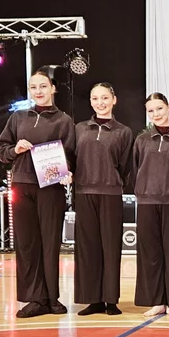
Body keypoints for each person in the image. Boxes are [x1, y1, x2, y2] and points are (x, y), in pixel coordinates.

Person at [0, 68, 75, 318]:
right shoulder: (18, 118)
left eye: (43, 86)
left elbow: (71, 155)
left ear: (53, 89)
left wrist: (68, 171)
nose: (38, 91)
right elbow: (1, 149)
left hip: (51, 188)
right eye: (33, 87)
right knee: (27, 244)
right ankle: (34, 299)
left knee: (50, 243)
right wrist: (15, 149)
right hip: (22, 185)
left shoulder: (64, 121)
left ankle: (52, 298)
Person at [73, 83, 134, 316]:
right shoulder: (79, 129)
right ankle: (93, 300)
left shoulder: (124, 132)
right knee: (88, 248)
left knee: (110, 247)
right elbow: (71, 158)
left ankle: (110, 300)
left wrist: (112, 181)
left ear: (114, 100)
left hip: (111, 194)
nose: (100, 102)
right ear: (90, 101)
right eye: (95, 98)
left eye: (105, 98)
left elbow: (126, 166)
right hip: (84, 194)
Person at [133, 93, 169, 317]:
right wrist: (144, 191)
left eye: (159, 108)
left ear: (168, 107)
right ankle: (156, 301)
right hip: (147, 203)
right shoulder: (141, 141)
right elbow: (135, 170)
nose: (156, 114)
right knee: (150, 254)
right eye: (151, 111)